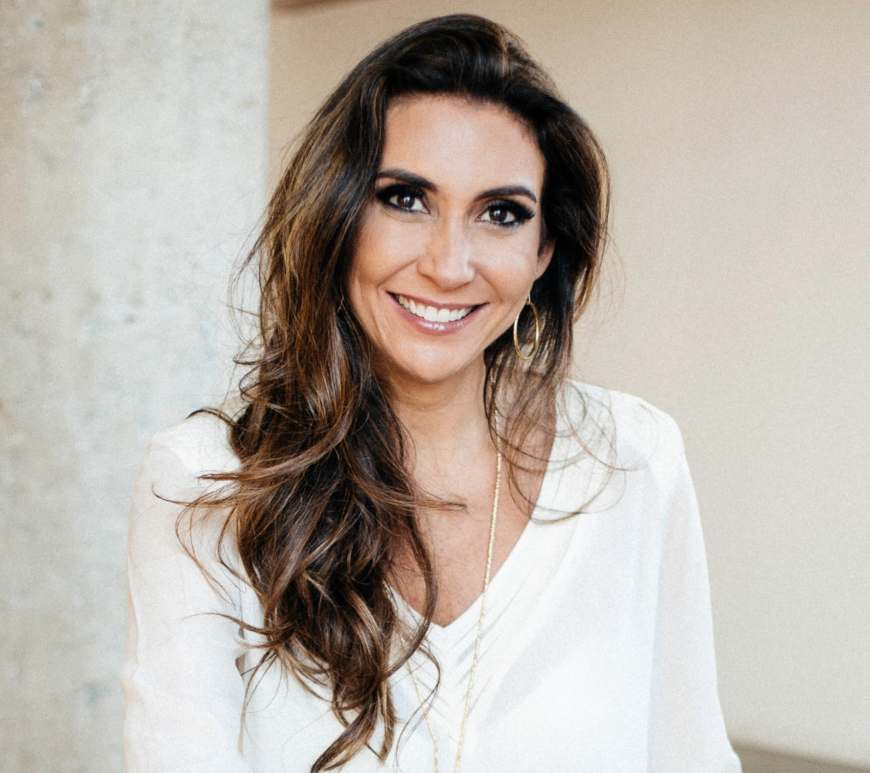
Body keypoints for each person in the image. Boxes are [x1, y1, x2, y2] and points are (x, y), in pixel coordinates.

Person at [122, 13, 742, 773]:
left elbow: (690, 754)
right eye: (406, 199)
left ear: (543, 250)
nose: (449, 265)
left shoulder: (634, 460)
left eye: (501, 214)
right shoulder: (204, 484)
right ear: (338, 216)